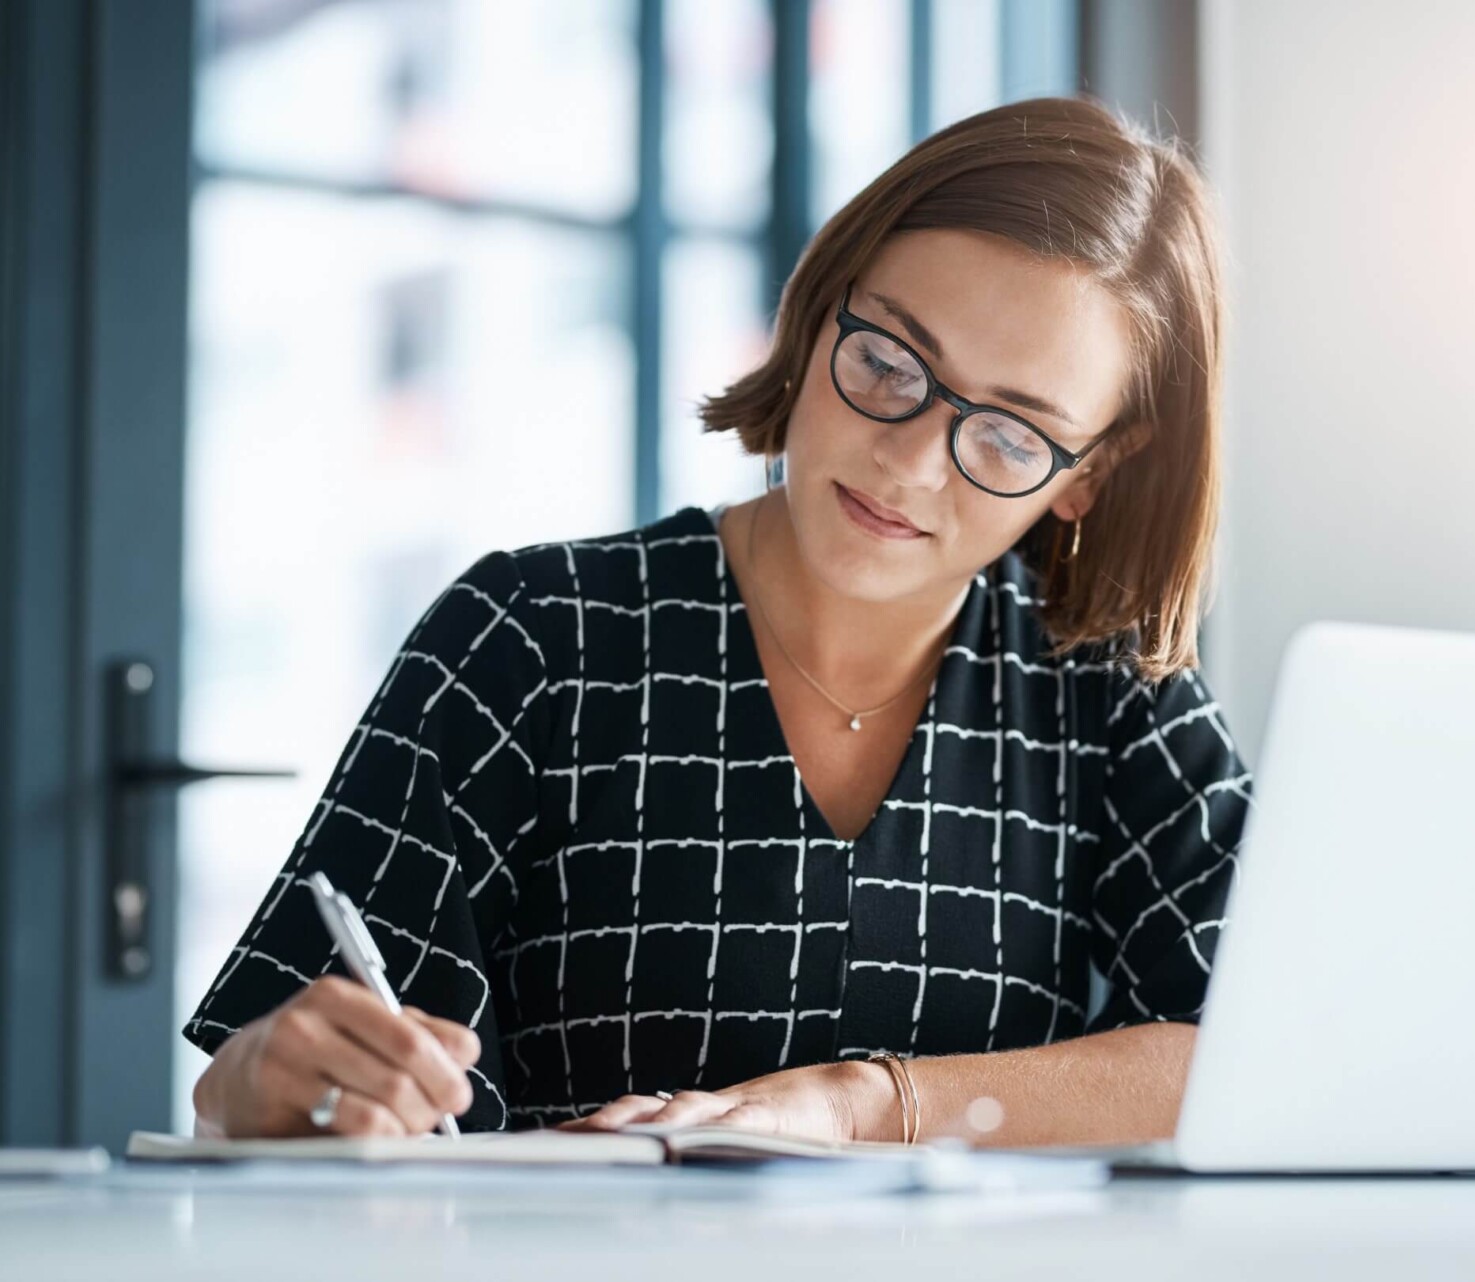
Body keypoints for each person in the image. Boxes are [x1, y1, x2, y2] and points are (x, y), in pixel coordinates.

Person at [184, 94, 1251, 1147]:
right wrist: (262, 1087)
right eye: (887, 363)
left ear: (1092, 473)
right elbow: (266, 1084)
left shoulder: (1106, 689)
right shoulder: (532, 641)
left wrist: (864, 1103)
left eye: (1012, 437)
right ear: (820, 303)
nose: (911, 462)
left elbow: (1260, 1046)